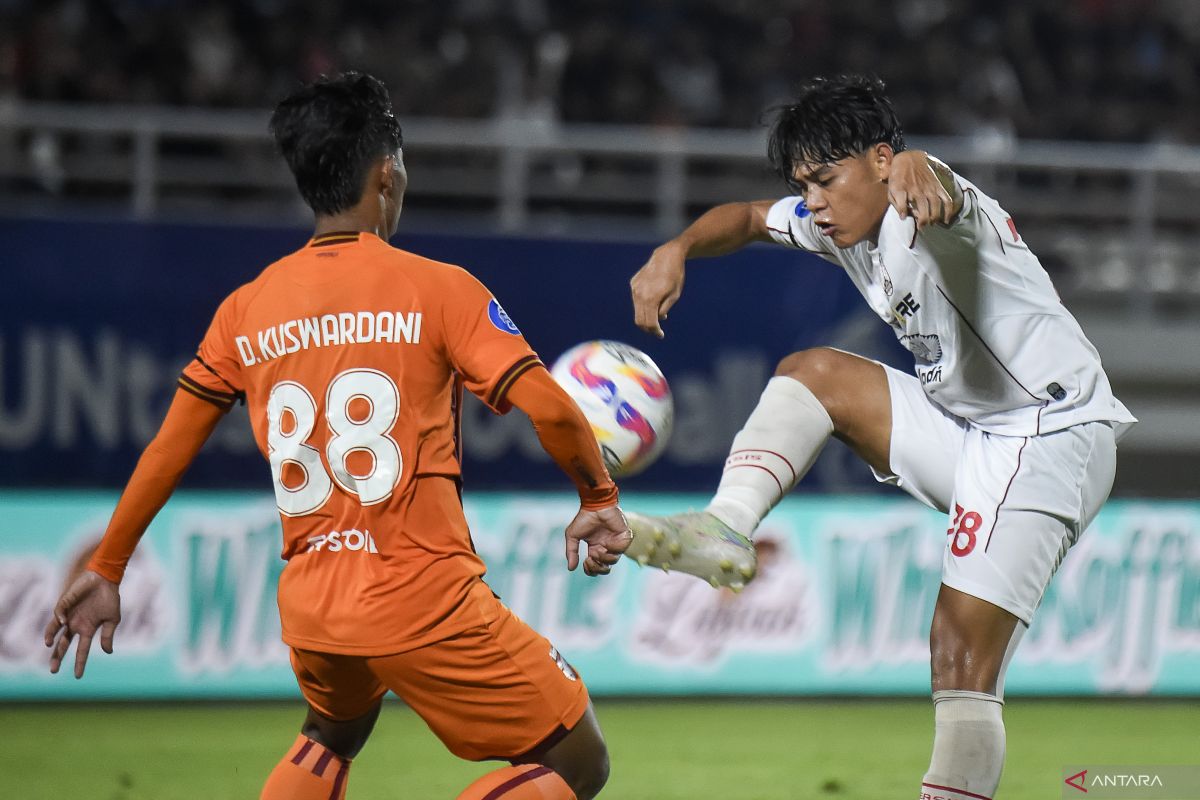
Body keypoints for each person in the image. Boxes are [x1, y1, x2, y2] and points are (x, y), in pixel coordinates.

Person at [43, 71, 632, 800]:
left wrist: (108, 566)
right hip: (421, 596)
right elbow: (548, 407)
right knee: (581, 761)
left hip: (316, 607)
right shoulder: (438, 287)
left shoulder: (245, 308)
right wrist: (597, 492)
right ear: (387, 175)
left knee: (334, 731)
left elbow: (168, 449)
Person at [625, 74, 1135, 800]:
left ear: (880, 160)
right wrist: (676, 247)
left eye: (826, 180)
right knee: (815, 373)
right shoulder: (837, 224)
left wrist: (922, 163)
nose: (814, 202)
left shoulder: (935, 206)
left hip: (1052, 434)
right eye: (804, 185)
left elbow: (940, 186)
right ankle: (725, 529)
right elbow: (743, 217)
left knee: (958, 656)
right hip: (976, 434)